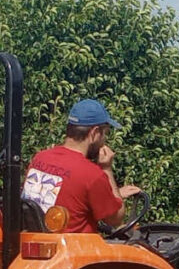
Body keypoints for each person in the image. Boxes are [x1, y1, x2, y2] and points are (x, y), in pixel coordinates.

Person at [22, 99, 141, 233]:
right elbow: (116, 219)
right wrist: (106, 169)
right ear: (95, 133)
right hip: (72, 249)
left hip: (38, 242)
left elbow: (66, 197)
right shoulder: (92, 174)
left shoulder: (40, 158)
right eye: (105, 133)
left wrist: (115, 194)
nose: (104, 140)